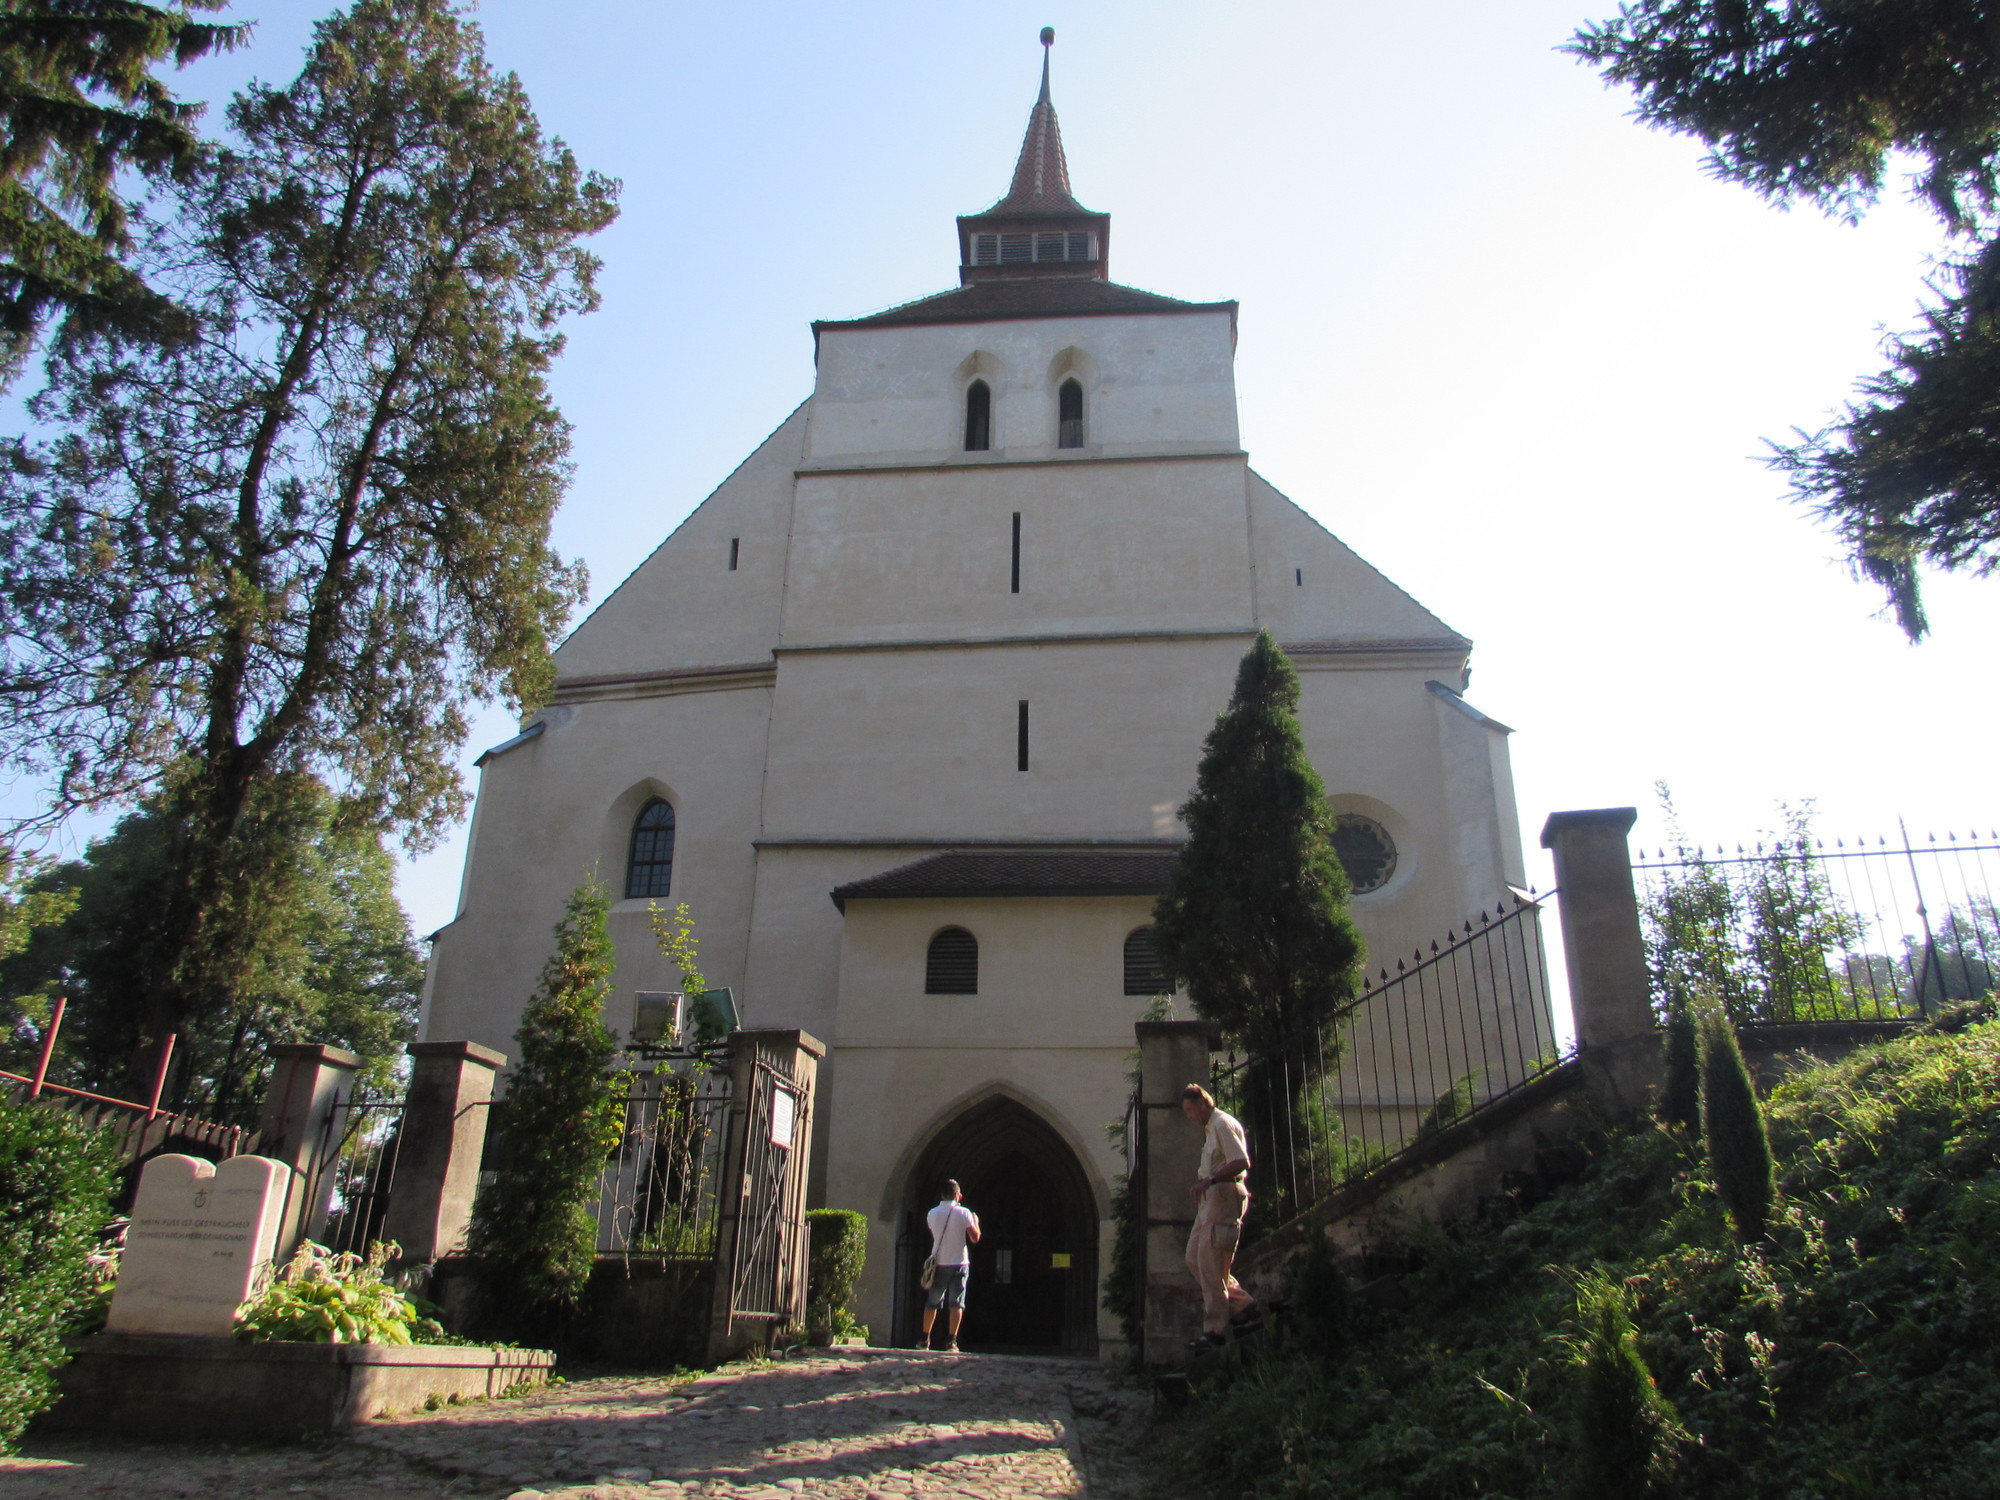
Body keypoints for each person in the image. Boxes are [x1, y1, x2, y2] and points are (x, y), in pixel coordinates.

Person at [1181, 1083, 1256, 1349]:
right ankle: (1242, 1304)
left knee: (1210, 1262)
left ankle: (1215, 1329)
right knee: (1194, 1258)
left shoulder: (1222, 1124)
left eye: (1190, 1110)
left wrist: (1211, 1179)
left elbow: (1241, 1161)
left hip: (1223, 1195)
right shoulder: (1211, 1128)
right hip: (1210, 1198)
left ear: (1203, 1103)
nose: (1189, 1116)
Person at [921, 1178, 980, 1353]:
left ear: (942, 1194)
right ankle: (952, 1341)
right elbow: (975, 1237)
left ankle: (925, 1338)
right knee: (956, 1302)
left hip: (939, 1261)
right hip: (959, 1262)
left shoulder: (932, 1213)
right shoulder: (964, 1213)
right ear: (957, 1195)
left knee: (933, 1301)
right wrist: (976, 1222)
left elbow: (936, 1233)